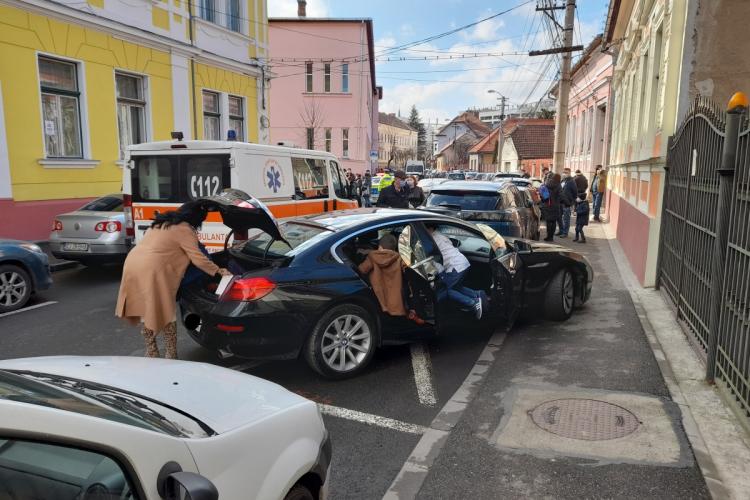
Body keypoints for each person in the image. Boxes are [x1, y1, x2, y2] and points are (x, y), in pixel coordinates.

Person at [115, 201, 231, 359]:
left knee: (147, 307)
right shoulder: (184, 229)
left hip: (133, 264)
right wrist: (218, 271)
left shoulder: (162, 222)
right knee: (166, 310)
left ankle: (151, 351)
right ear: (196, 219)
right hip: (153, 269)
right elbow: (198, 258)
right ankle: (171, 355)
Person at [426, 224, 484, 319]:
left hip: (455, 266)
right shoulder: (439, 235)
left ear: (430, 228)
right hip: (462, 262)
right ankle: (476, 294)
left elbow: (432, 259)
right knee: (455, 287)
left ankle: (473, 303)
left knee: (447, 290)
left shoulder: (431, 240)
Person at [358, 234, 407, 317]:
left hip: (378, 296)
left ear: (380, 247)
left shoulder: (372, 257)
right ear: (394, 248)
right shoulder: (399, 258)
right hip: (396, 299)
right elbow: (407, 270)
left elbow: (362, 270)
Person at [540, 173, 563, 242]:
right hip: (556, 206)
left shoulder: (547, 184)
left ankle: (548, 236)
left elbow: (543, 195)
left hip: (547, 205)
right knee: (553, 222)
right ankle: (551, 237)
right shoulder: (559, 185)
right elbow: (561, 196)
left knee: (548, 222)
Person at [558, 167, 578, 238]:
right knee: (559, 218)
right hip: (560, 202)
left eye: (566, 173)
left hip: (567, 203)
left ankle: (565, 233)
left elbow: (575, 193)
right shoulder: (562, 180)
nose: (564, 174)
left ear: (569, 173)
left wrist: (571, 202)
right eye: (564, 172)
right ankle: (561, 230)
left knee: (566, 219)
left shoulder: (572, 181)